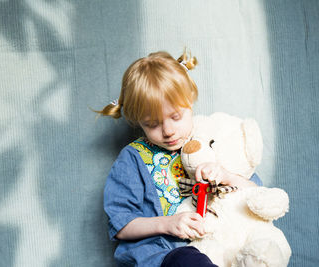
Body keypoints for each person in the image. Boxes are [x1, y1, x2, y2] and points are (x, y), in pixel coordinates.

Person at [97, 50, 261, 267]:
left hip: (220, 245)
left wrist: (226, 176)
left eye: (175, 117)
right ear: (138, 121)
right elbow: (121, 224)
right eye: (152, 124)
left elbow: (255, 193)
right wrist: (167, 224)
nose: (168, 131)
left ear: (190, 101)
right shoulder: (133, 158)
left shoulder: (211, 139)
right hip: (163, 255)